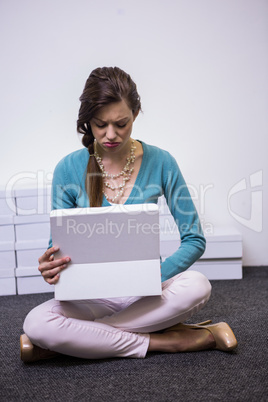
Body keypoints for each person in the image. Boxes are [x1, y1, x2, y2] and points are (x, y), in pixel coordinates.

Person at [20, 67, 237, 363]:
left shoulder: (162, 162)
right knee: (35, 323)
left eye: (121, 123)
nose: (111, 135)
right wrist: (50, 265)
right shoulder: (67, 169)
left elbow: (194, 239)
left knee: (197, 285)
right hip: (91, 297)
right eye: (100, 125)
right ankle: (169, 341)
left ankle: (70, 341)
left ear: (135, 113)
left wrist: (152, 277)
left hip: (148, 293)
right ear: (87, 121)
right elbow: (57, 247)